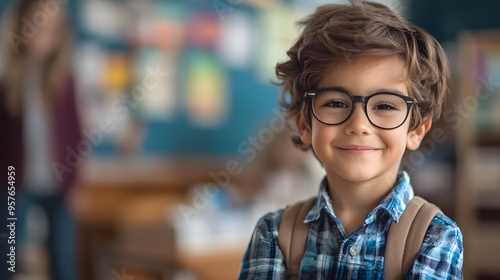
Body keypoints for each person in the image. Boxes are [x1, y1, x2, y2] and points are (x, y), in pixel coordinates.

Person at [238, 1, 463, 279]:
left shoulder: (436, 237)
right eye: (335, 102)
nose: (359, 124)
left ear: (416, 130)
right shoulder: (273, 235)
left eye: (385, 106)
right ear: (305, 125)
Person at [0, 0, 81, 279]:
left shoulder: (64, 81)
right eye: (36, 26)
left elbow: (75, 134)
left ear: (59, 36)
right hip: (14, 183)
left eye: (49, 29)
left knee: (64, 262)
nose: (41, 35)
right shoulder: (9, 79)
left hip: (58, 184)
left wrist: (75, 184)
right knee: (6, 260)